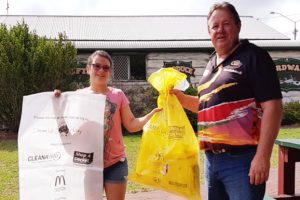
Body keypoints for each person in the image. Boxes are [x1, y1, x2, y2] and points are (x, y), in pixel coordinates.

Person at [170, 2, 283, 200]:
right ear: (209, 31)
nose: (220, 30)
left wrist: (263, 156)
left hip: (242, 161)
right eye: (215, 26)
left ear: (238, 26)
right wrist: (179, 98)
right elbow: (205, 107)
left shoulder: (254, 57)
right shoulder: (212, 62)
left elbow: (273, 106)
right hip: (212, 161)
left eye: (226, 24)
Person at [55, 50, 161, 200]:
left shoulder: (118, 95)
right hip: (88, 164)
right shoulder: (77, 97)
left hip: (116, 163)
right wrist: (55, 104)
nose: (101, 70)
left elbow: (131, 124)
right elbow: (68, 132)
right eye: (97, 66)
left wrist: (150, 116)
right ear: (88, 68)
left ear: (110, 71)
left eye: (106, 67)